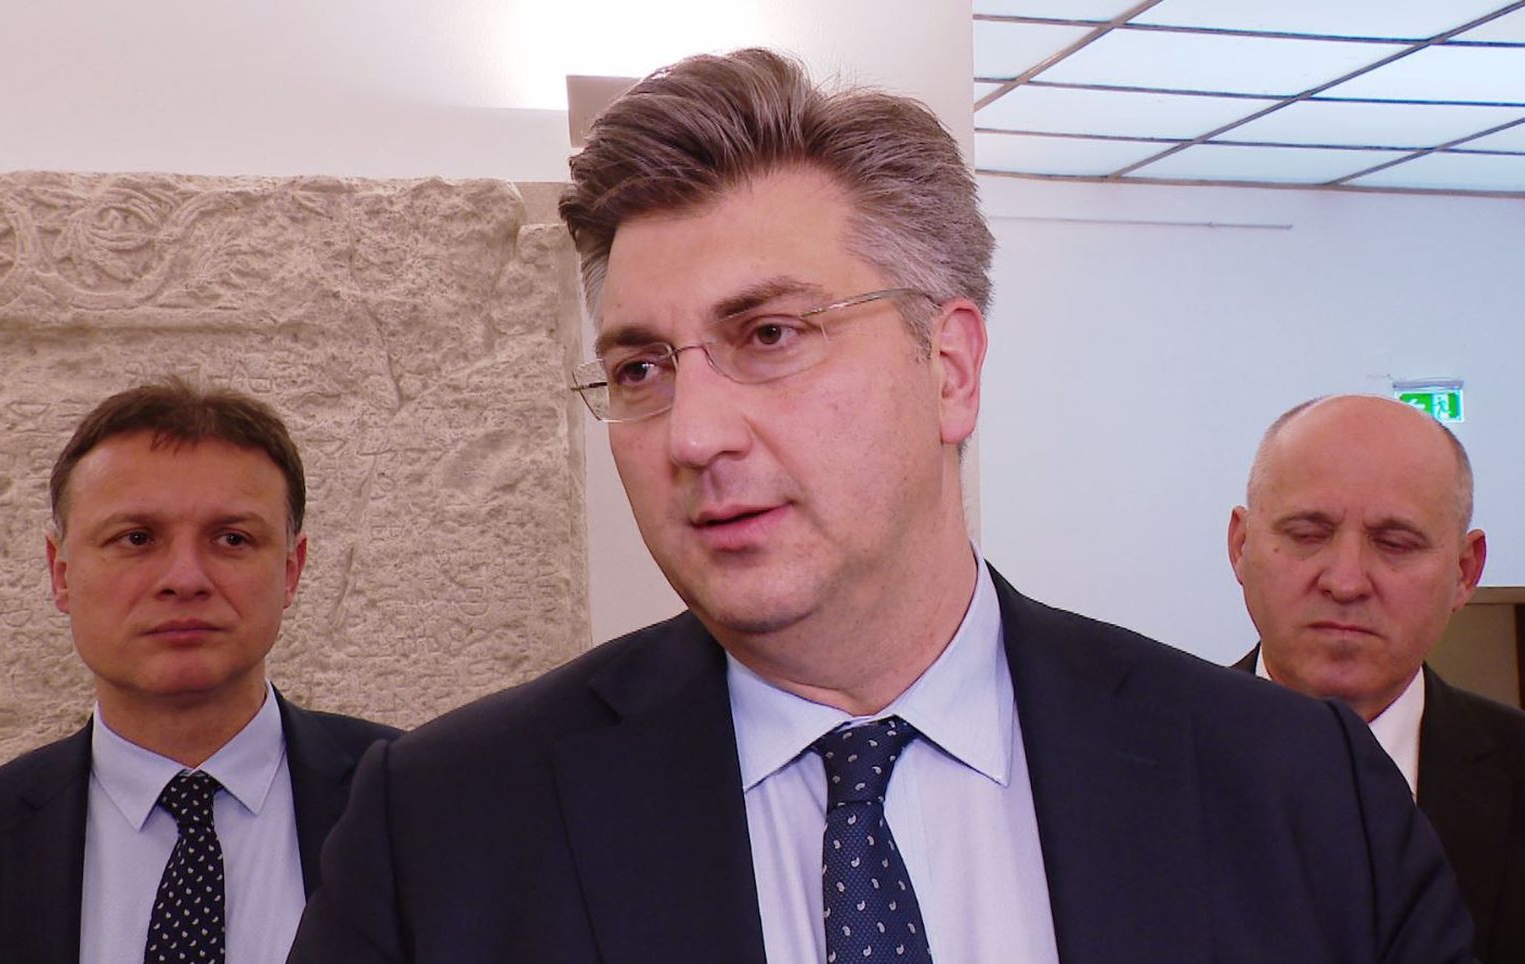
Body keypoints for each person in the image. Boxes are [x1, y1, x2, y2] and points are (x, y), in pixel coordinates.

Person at [290, 49, 1470, 963]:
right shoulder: (445, 828)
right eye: (641, 368)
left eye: (770, 334)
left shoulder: (1295, 790)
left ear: (949, 367)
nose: (692, 434)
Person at [0, 379, 399, 964]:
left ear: (291, 570)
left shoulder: (425, 808)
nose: (185, 578)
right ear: (61, 573)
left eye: (232, 538)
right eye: (136, 538)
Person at [1228, 393, 1525, 963]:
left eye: (1395, 544)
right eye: (1307, 533)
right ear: (1241, 547)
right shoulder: (1124, 774)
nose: (1346, 582)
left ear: (1465, 571)